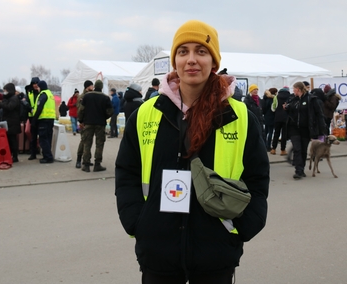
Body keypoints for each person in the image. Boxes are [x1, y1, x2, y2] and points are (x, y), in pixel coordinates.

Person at [115, 20, 269, 283]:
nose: (191, 60)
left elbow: (257, 176)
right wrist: (137, 222)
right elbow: (127, 172)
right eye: (183, 51)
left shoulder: (239, 116)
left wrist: (240, 228)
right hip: (158, 251)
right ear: (175, 61)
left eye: (201, 51)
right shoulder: (145, 114)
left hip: (215, 252)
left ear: (214, 62)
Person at [285, 81, 326, 179]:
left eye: (294, 89)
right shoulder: (293, 99)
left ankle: (301, 169)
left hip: (306, 129)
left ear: (298, 89)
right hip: (294, 128)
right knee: (297, 149)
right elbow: (290, 109)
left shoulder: (311, 99)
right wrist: (286, 108)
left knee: (303, 150)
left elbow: (319, 114)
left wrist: (322, 128)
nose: (293, 91)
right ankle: (298, 171)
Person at [78, 80, 113, 172]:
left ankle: (86, 164)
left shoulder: (87, 96)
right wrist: (104, 117)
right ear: (101, 87)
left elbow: (81, 110)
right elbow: (110, 111)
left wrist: (81, 120)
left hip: (88, 122)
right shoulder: (105, 98)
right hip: (100, 124)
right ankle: (97, 164)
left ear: (94, 86)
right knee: (99, 144)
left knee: (87, 143)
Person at [32, 80, 56, 163]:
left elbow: (39, 108)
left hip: (43, 119)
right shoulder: (50, 94)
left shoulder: (43, 95)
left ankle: (48, 157)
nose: (37, 88)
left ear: (41, 87)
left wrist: (34, 119)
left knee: (43, 139)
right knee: (48, 138)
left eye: (38, 87)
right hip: (50, 119)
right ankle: (48, 155)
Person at [0, 83, 21, 163]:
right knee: (9, 140)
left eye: (5, 90)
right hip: (8, 121)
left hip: (12, 122)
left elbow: (9, 107)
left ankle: (15, 156)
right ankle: (10, 155)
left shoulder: (14, 98)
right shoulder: (7, 98)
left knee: (12, 139)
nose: (4, 92)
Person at [75, 80, 94, 168]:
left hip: (89, 121)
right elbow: (80, 110)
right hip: (84, 121)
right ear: (88, 87)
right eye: (91, 86)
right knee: (83, 141)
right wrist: (81, 121)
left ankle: (86, 159)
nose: (93, 87)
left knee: (88, 142)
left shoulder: (90, 95)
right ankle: (78, 160)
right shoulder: (82, 96)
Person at [270, 86, 290, 155]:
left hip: (277, 117)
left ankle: (273, 149)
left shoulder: (276, 97)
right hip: (286, 118)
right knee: (284, 134)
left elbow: (273, 108)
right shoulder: (289, 97)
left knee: (276, 133)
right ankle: (283, 150)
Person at [26, 77, 40, 160]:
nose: (35, 85)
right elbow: (27, 102)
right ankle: (33, 153)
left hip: (40, 116)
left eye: (36, 83)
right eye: (34, 84)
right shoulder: (29, 92)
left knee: (41, 136)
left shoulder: (41, 92)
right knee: (33, 136)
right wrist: (30, 109)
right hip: (32, 116)